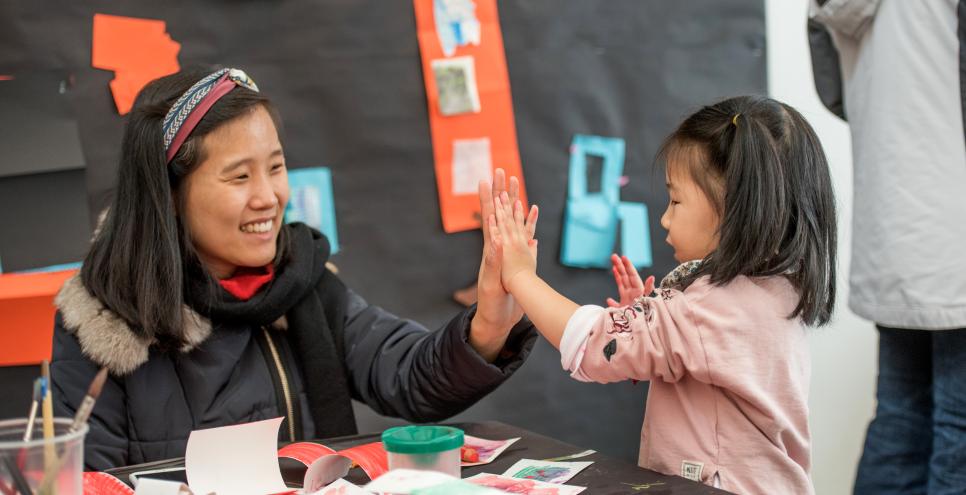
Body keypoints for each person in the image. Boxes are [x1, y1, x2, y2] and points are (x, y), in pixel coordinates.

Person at [49, 66, 538, 471]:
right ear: (170, 195)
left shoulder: (302, 281)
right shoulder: (105, 321)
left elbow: (411, 376)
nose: (268, 197)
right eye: (239, 176)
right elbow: (88, 481)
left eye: (276, 167)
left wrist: (490, 322)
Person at [486, 95, 837, 494]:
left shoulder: (716, 307)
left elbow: (594, 343)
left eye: (676, 200)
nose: (665, 217)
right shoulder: (774, 289)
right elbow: (694, 365)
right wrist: (647, 321)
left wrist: (519, 276)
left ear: (735, 209)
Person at [808, 1, 966, 492]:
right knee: (957, 427)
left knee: (899, 417)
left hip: (894, 233)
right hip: (954, 232)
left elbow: (835, 95)